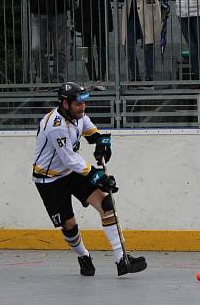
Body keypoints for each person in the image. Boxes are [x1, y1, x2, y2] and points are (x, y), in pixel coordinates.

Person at [31, 82, 147, 276]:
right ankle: (83, 255)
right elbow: (69, 159)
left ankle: (122, 260)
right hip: (49, 180)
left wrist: (101, 142)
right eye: (78, 104)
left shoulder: (78, 115)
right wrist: (97, 175)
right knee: (69, 225)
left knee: (106, 203)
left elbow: (91, 131)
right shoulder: (55, 126)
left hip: (72, 173)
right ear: (65, 103)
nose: (83, 108)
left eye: (84, 103)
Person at [23, 0, 71, 84]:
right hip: (38, 10)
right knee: (36, 47)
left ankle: (58, 80)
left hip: (58, 9)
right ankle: (44, 79)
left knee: (60, 48)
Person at [71, 0, 117, 90]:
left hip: (101, 13)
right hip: (84, 15)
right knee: (85, 49)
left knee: (102, 48)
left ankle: (100, 79)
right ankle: (91, 78)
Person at [119, 0, 162, 85]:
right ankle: (135, 77)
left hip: (146, 13)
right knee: (129, 46)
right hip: (130, 14)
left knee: (148, 45)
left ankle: (150, 78)